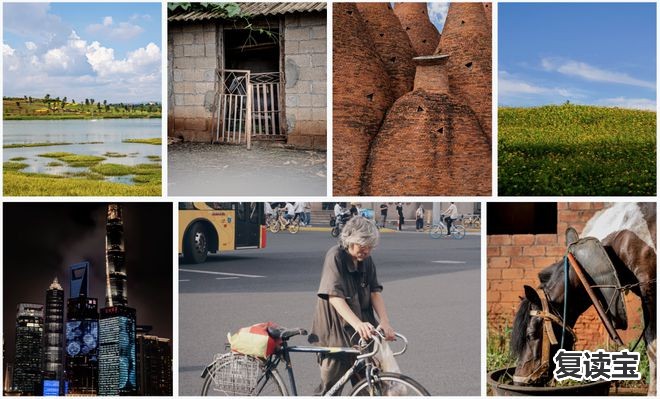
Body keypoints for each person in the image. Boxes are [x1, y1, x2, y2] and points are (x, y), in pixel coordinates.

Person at [309, 216, 395, 395]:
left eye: (370, 247)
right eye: (362, 246)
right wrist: (357, 324)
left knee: (368, 386)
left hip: (362, 332)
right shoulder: (336, 256)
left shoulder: (366, 260)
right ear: (350, 240)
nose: (366, 251)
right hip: (336, 333)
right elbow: (334, 297)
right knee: (331, 387)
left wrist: (385, 321)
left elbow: (374, 292)